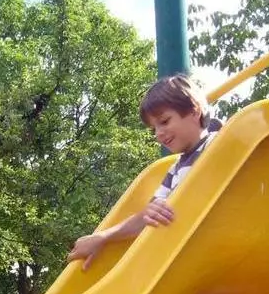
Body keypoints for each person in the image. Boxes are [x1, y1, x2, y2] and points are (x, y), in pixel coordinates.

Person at [66, 74, 221, 271]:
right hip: (188, 258)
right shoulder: (175, 170)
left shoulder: (217, 143)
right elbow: (148, 217)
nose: (158, 134)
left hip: (219, 244)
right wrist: (103, 237)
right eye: (154, 128)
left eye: (164, 121)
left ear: (194, 110)